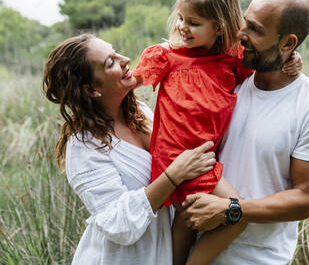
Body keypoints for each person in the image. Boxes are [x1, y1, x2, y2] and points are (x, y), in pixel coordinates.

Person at [131, 0, 302, 265]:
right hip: (180, 156)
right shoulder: (167, 56)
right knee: (237, 213)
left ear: (220, 28)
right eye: (181, 19)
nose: (183, 27)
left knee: (187, 215)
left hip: (201, 156)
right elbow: (127, 83)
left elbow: (266, 66)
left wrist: (292, 59)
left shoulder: (231, 61)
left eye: (194, 23)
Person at [181, 0, 309, 265]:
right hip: (192, 249)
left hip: (257, 258)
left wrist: (232, 210)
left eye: (255, 29)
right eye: (245, 22)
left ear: (288, 44)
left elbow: (306, 198)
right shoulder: (228, 77)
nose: (241, 34)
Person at [42, 33, 217, 265]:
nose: (124, 59)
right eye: (110, 62)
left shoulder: (141, 113)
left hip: (168, 248)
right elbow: (117, 224)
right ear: (91, 89)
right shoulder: (84, 146)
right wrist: (174, 175)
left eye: (115, 52)